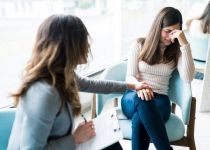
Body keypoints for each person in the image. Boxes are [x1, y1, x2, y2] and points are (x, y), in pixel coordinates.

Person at [7, 15, 149, 150]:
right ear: (69, 46)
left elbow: (90, 84)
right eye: (84, 40)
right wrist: (75, 139)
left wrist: (131, 86)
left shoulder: (63, 74)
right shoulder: (45, 93)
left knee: (110, 143)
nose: (88, 46)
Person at [121, 7, 195, 150]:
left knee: (139, 119)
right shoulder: (139, 45)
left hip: (159, 100)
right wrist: (139, 87)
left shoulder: (177, 51)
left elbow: (188, 78)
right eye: (167, 31)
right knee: (141, 100)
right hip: (133, 95)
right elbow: (129, 77)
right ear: (158, 28)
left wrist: (184, 44)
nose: (170, 37)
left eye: (175, 32)